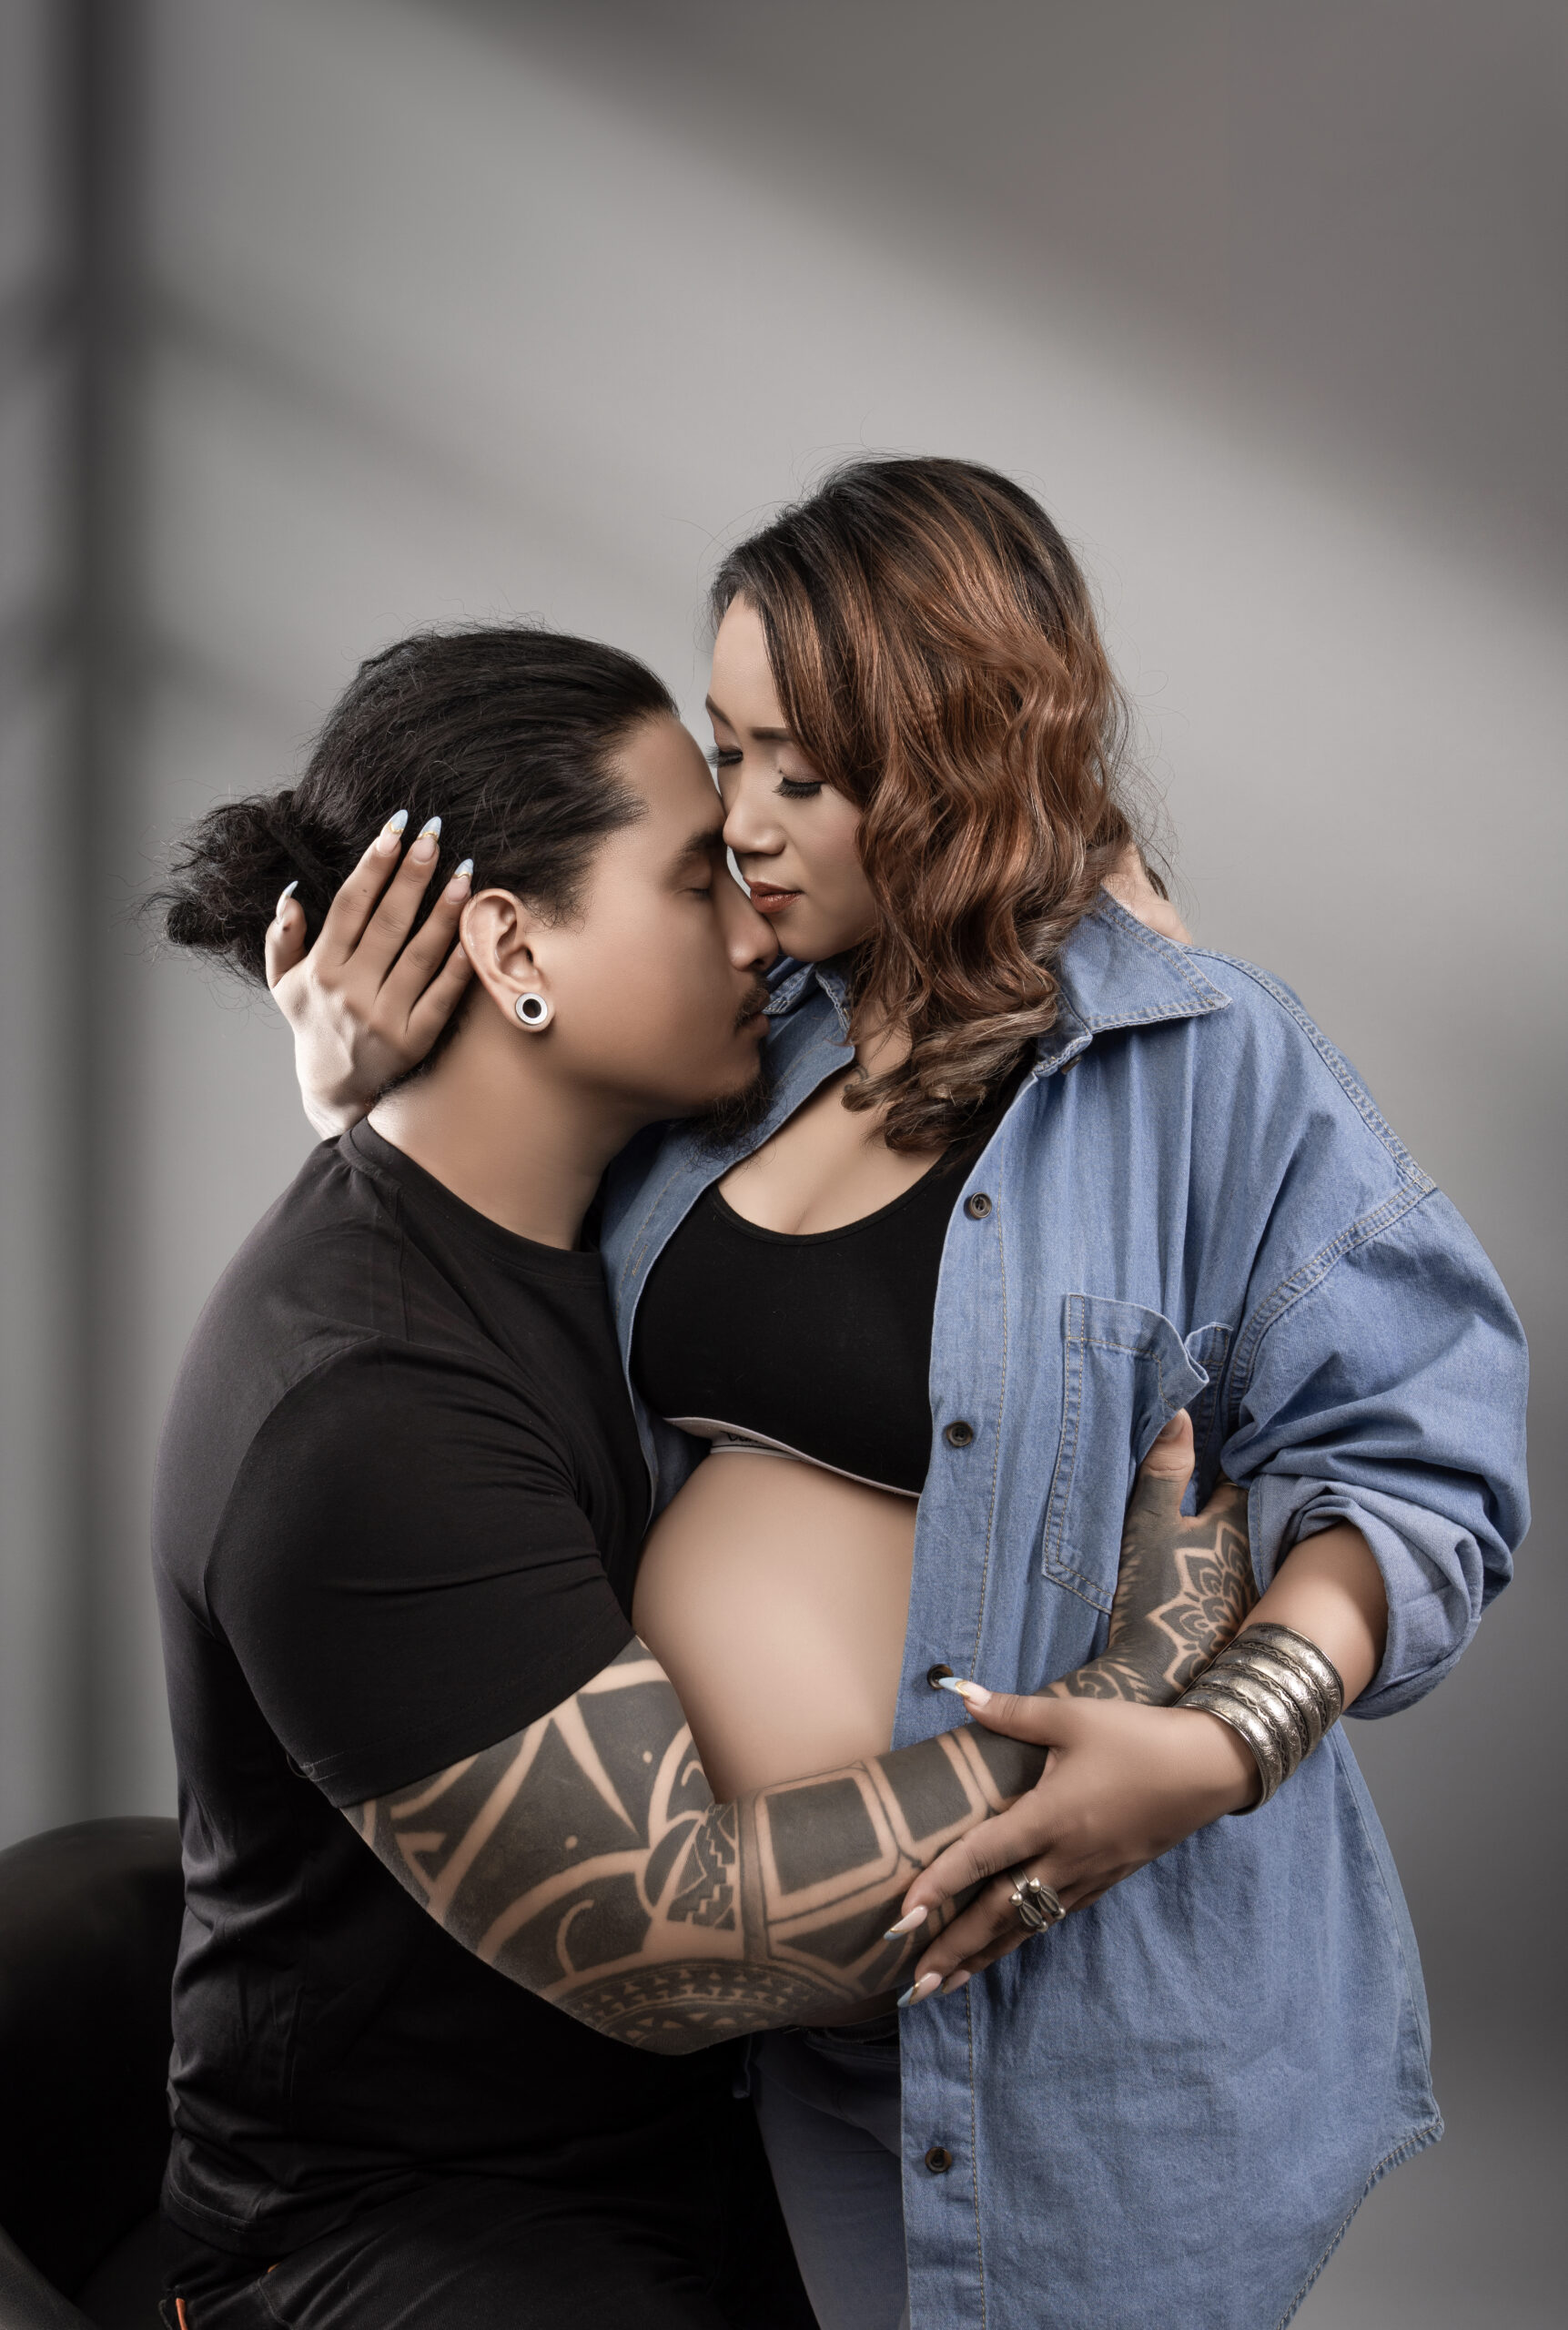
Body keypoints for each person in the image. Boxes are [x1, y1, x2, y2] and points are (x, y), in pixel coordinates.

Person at [271, 459, 1531, 2330]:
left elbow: (1423, 1469)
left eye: (807, 771)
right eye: (730, 755)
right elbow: (506, 1263)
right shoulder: (738, 1039)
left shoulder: (1203, 1065)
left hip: (1066, 2034)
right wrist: (358, 1096)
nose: (745, 825)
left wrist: (1213, 1748)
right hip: (754, 2032)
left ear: (951, 757)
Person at [151, 621, 1250, 2330]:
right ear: (511, 942)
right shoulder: (361, 1408)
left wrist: (1110, 925)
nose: (759, 926)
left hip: (718, 2134)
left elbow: (965, 934)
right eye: (693, 884)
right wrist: (1145, 1682)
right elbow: (676, 1942)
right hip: (417, 2230)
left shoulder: (618, 1203)